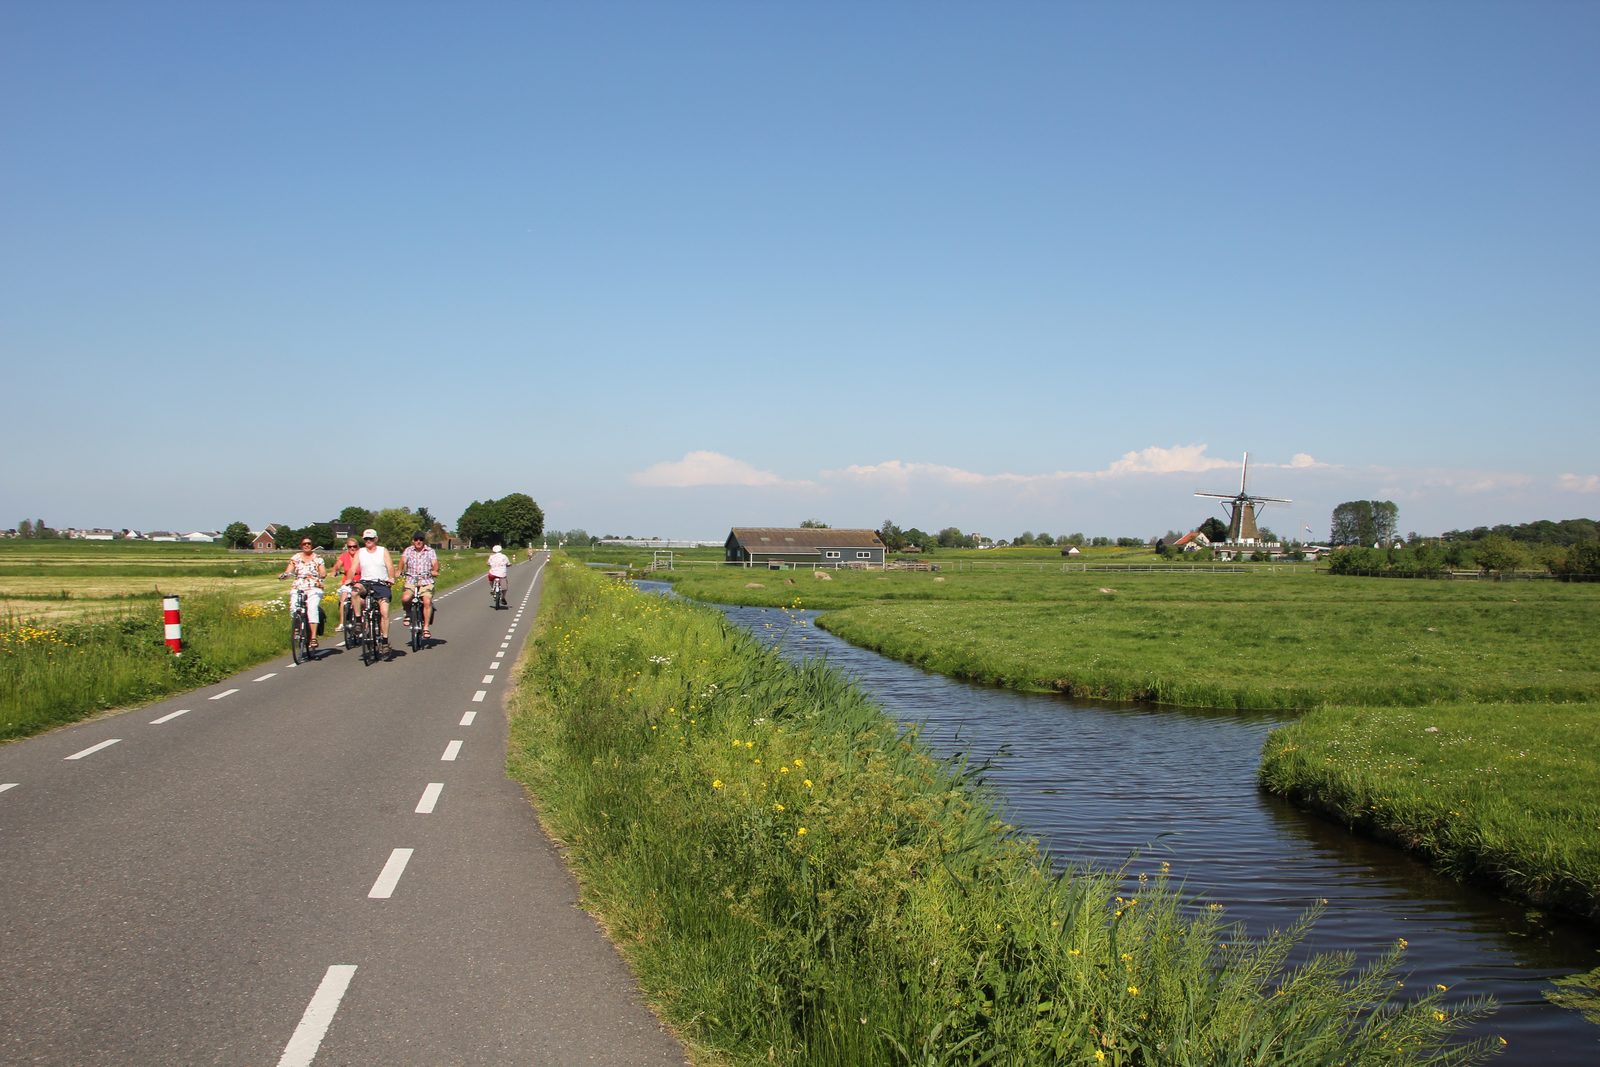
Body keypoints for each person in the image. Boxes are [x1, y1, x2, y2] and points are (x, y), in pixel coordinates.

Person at [351, 529, 396, 648]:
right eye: (366, 539)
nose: (368, 541)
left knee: (384, 612)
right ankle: (358, 621)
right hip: (365, 583)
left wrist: (391, 577)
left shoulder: (382, 551)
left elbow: (390, 566)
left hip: (381, 583)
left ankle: (385, 641)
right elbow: (353, 567)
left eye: (370, 539)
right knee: (355, 591)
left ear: (376, 539)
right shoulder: (360, 552)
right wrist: (349, 579)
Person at [279, 537, 327, 649]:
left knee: (312, 608)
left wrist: (322, 575)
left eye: (309, 543)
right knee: (293, 607)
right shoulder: (295, 558)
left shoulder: (318, 559)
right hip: (299, 586)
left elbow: (323, 571)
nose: (307, 545)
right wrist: (284, 575)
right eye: (304, 544)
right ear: (301, 545)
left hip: (313, 586)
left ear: (312, 545)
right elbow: (289, 570)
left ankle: (313, 637)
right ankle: (297, 629)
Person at [399, 531, 440, 640]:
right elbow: (402, 561)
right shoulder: (408, 550)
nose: (418, 541)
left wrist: (435, 571)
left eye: (421, 539)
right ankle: (408, 613)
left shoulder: (430, 551)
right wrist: (399, 570)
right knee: (405, 598)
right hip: (411, 580)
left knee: (426, 601)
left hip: (426, 580)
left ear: (424, 541)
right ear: (413, 540)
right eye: (416, 539)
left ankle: (426, 627)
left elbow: (435, 563)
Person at [331, 536, 360, 631]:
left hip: (360, 582)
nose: (352, 548)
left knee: (362, 601)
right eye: (349, 546)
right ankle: (341, 623)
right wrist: (335, 571)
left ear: (357, 547)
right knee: (343, 599)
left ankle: (362, 621)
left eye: (354, 546)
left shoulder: (361, 556)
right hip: (348, 582)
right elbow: (337, 565)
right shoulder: (344, 556)